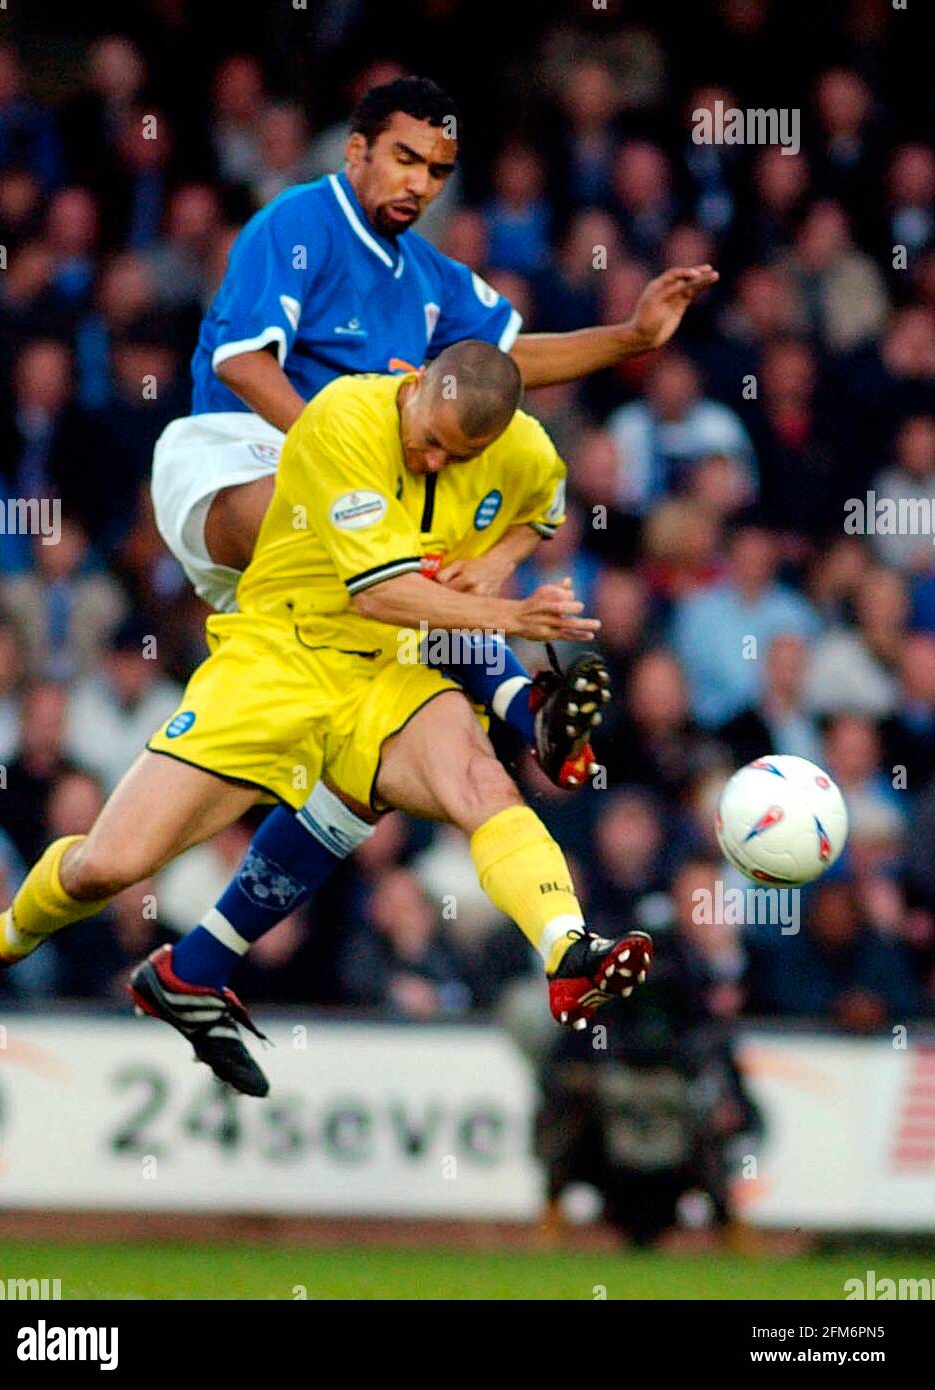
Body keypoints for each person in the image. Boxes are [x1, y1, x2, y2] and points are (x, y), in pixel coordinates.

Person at [0, 343, 652, 1095]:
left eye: (454, 457)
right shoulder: (341, 422)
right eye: (427, 440)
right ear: (410, 381)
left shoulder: (521, 445)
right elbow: (379, 593)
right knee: (109, 864)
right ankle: (0, 937)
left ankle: (568, 952)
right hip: (280, 659)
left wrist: (498, 560)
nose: (430, 462)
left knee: (480, 783)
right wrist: (506, 610)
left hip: (388, 674)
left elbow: (543, 504)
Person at [150, 75, 715, 982]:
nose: (418, 182)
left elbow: (496, 368)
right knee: (412, 546)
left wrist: (633, 338)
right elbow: (246, 365)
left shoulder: (430, 277)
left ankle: (197, 964)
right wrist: (343, 458)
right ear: (357, 151)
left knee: (371, 764)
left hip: (332, 554)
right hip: (234, 463)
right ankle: (524, 706)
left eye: (437, 169)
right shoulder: (296, 224)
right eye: (405, 157)